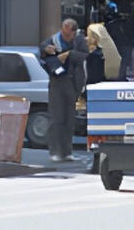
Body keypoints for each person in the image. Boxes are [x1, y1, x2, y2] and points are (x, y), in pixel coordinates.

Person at [40, 17, 88, 163]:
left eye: (69, 34)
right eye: (64, 32)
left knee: (69, 119)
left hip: (72, 82)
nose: (66, 36)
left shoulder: (79, 41)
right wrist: (45, 50)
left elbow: (85, 56)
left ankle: (66, 151)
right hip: (57, 82)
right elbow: (42, 51)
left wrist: (68, 54)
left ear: (74, 32)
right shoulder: (53, 40)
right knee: (56, 118)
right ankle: (55, 151)